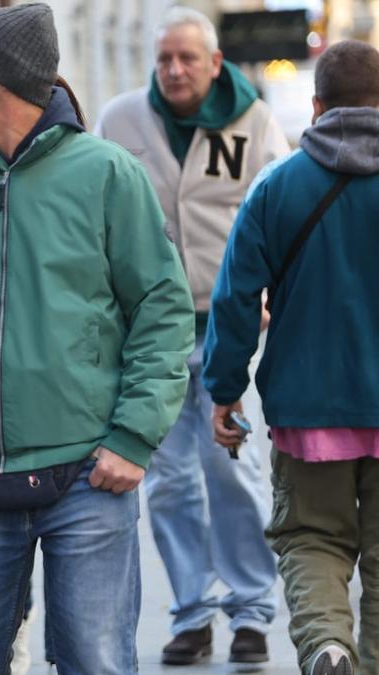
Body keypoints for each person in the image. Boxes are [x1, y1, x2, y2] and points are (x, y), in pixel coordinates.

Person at [0, 5, 194, 673]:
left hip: (89, 477)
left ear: (4, 78)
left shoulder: (107, 174)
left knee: (96, 662)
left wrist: (133, 435)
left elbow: (163, 310)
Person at [94, 7, 288, 664]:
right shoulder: (121, 120)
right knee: (169, 479)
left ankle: (252, 608)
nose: (174, 70)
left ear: (213, 62)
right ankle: (191, 611)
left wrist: (269, 289)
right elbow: (93, 214)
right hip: (148, 332)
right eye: (164, 59)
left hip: (228, 324)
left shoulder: (254, 121)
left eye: (186, 58)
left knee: (230, 467)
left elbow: (283, 210)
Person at [203, 39, 379, 675]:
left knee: (311, 538)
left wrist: (224, 390)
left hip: (308, 411)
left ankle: (329, 647)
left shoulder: (277, 186)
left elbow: (235, 298)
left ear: (317, 105)